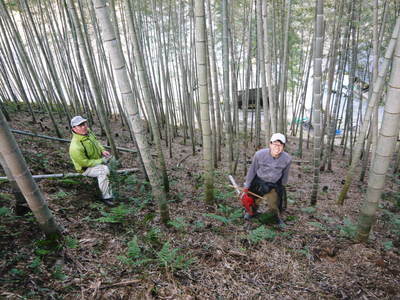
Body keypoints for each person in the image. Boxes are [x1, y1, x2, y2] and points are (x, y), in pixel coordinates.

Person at [241, 133, 292, 224]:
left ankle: (277, 218)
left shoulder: (287, 159)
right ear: (270, 144)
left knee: (274, 203)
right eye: (275, 144)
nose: (277, 147)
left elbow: (285, 174)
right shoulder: (259, 154)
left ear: (283, 146)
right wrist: (247, 185)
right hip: (259, 181)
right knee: (254, 200)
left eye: (280, 145)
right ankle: (251, 212)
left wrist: (282, 187)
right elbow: (252, 171)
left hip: (273, 184)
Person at [69, 116, 114, 206]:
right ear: (74, 128)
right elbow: (83, 162)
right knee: (103, 171)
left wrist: (102, 150)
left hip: (95, 160)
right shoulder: (75, 146)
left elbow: (96, 142)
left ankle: (106, 184)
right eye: (80, 125)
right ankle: (106, 197)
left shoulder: (88, 132)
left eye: (84, 123)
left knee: (110, 163)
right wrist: (101, 161)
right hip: (84, 168)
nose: (84, 126)